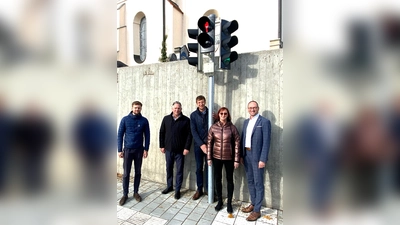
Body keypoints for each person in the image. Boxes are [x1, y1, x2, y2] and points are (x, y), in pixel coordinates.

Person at [240, 101, 271, 221]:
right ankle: (253, 203)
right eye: (250, 108)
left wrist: (263, 159)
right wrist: (242, 155)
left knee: (258, 183)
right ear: (248, 109)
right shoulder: (246, 122)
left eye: (254, 107)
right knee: (250, 181)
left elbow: (267, 142)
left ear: (258, 108)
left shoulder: (264, 122)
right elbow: (243, 138)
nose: (252, 109)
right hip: (247, 155)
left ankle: (257, 210)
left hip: (257, 156)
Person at [207, 107, 240, 213]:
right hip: (216, 158)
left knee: (230, 180)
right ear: (218, 115)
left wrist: (236, 159)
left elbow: (237, 143)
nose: (223, 115)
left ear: (228, 115)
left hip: (229, 158)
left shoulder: (232, 128)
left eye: (225, 113)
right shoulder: (213, 127)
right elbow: (209, 143)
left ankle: (229, 203)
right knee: (218, 179)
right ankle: (220, 201)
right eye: (221, 113)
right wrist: (209, 157)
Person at [117, 101, 150, 206]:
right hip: (127, 150)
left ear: (141, 109)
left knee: (138, 172)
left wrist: (146, 149)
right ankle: (125, 194)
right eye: (135, 108)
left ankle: (136, 192)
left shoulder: (144, 121)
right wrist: (119, 149)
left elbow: (147, 136)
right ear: (132, 108)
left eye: (139, 108)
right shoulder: (125, 120)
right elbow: (119, 135)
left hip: (139, 150)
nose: (137, 109)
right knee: (126, 173)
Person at [159, 101, 192, 200]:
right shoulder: (166, 119)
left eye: (178, 108)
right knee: (169, 168)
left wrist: (187, 148)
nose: (177, 110)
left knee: (179, 171)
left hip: (180, 151)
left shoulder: (186, 120)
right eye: (175, 108)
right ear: (172, 109)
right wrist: (162, 146)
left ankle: (177, 190)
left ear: (181, 109)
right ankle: (169, 186)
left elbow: (189, 136)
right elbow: (162, 132)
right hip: (168, 149)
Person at [190, 95, 210, 200]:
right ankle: (199, 189)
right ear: (196, 103)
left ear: (205, 102)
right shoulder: (193, 115)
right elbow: (193, 131)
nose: (201, 104)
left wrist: (207, 144)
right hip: (198, 146)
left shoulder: (211, 113)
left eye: (202, 102)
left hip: (209, 145)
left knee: (209, 167)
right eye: (199, 102)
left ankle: (208, 189)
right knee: (198, 168)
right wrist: (201, 144)